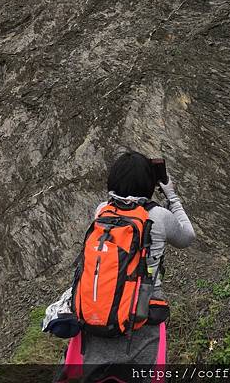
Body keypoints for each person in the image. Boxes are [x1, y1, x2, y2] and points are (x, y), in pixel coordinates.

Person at [47, 150, 195, 382]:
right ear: (149, 183)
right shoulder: (159, 215)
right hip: (143, 317)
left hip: (98, 314)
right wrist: (172, 195)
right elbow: (187, 237)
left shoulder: (101, 211)